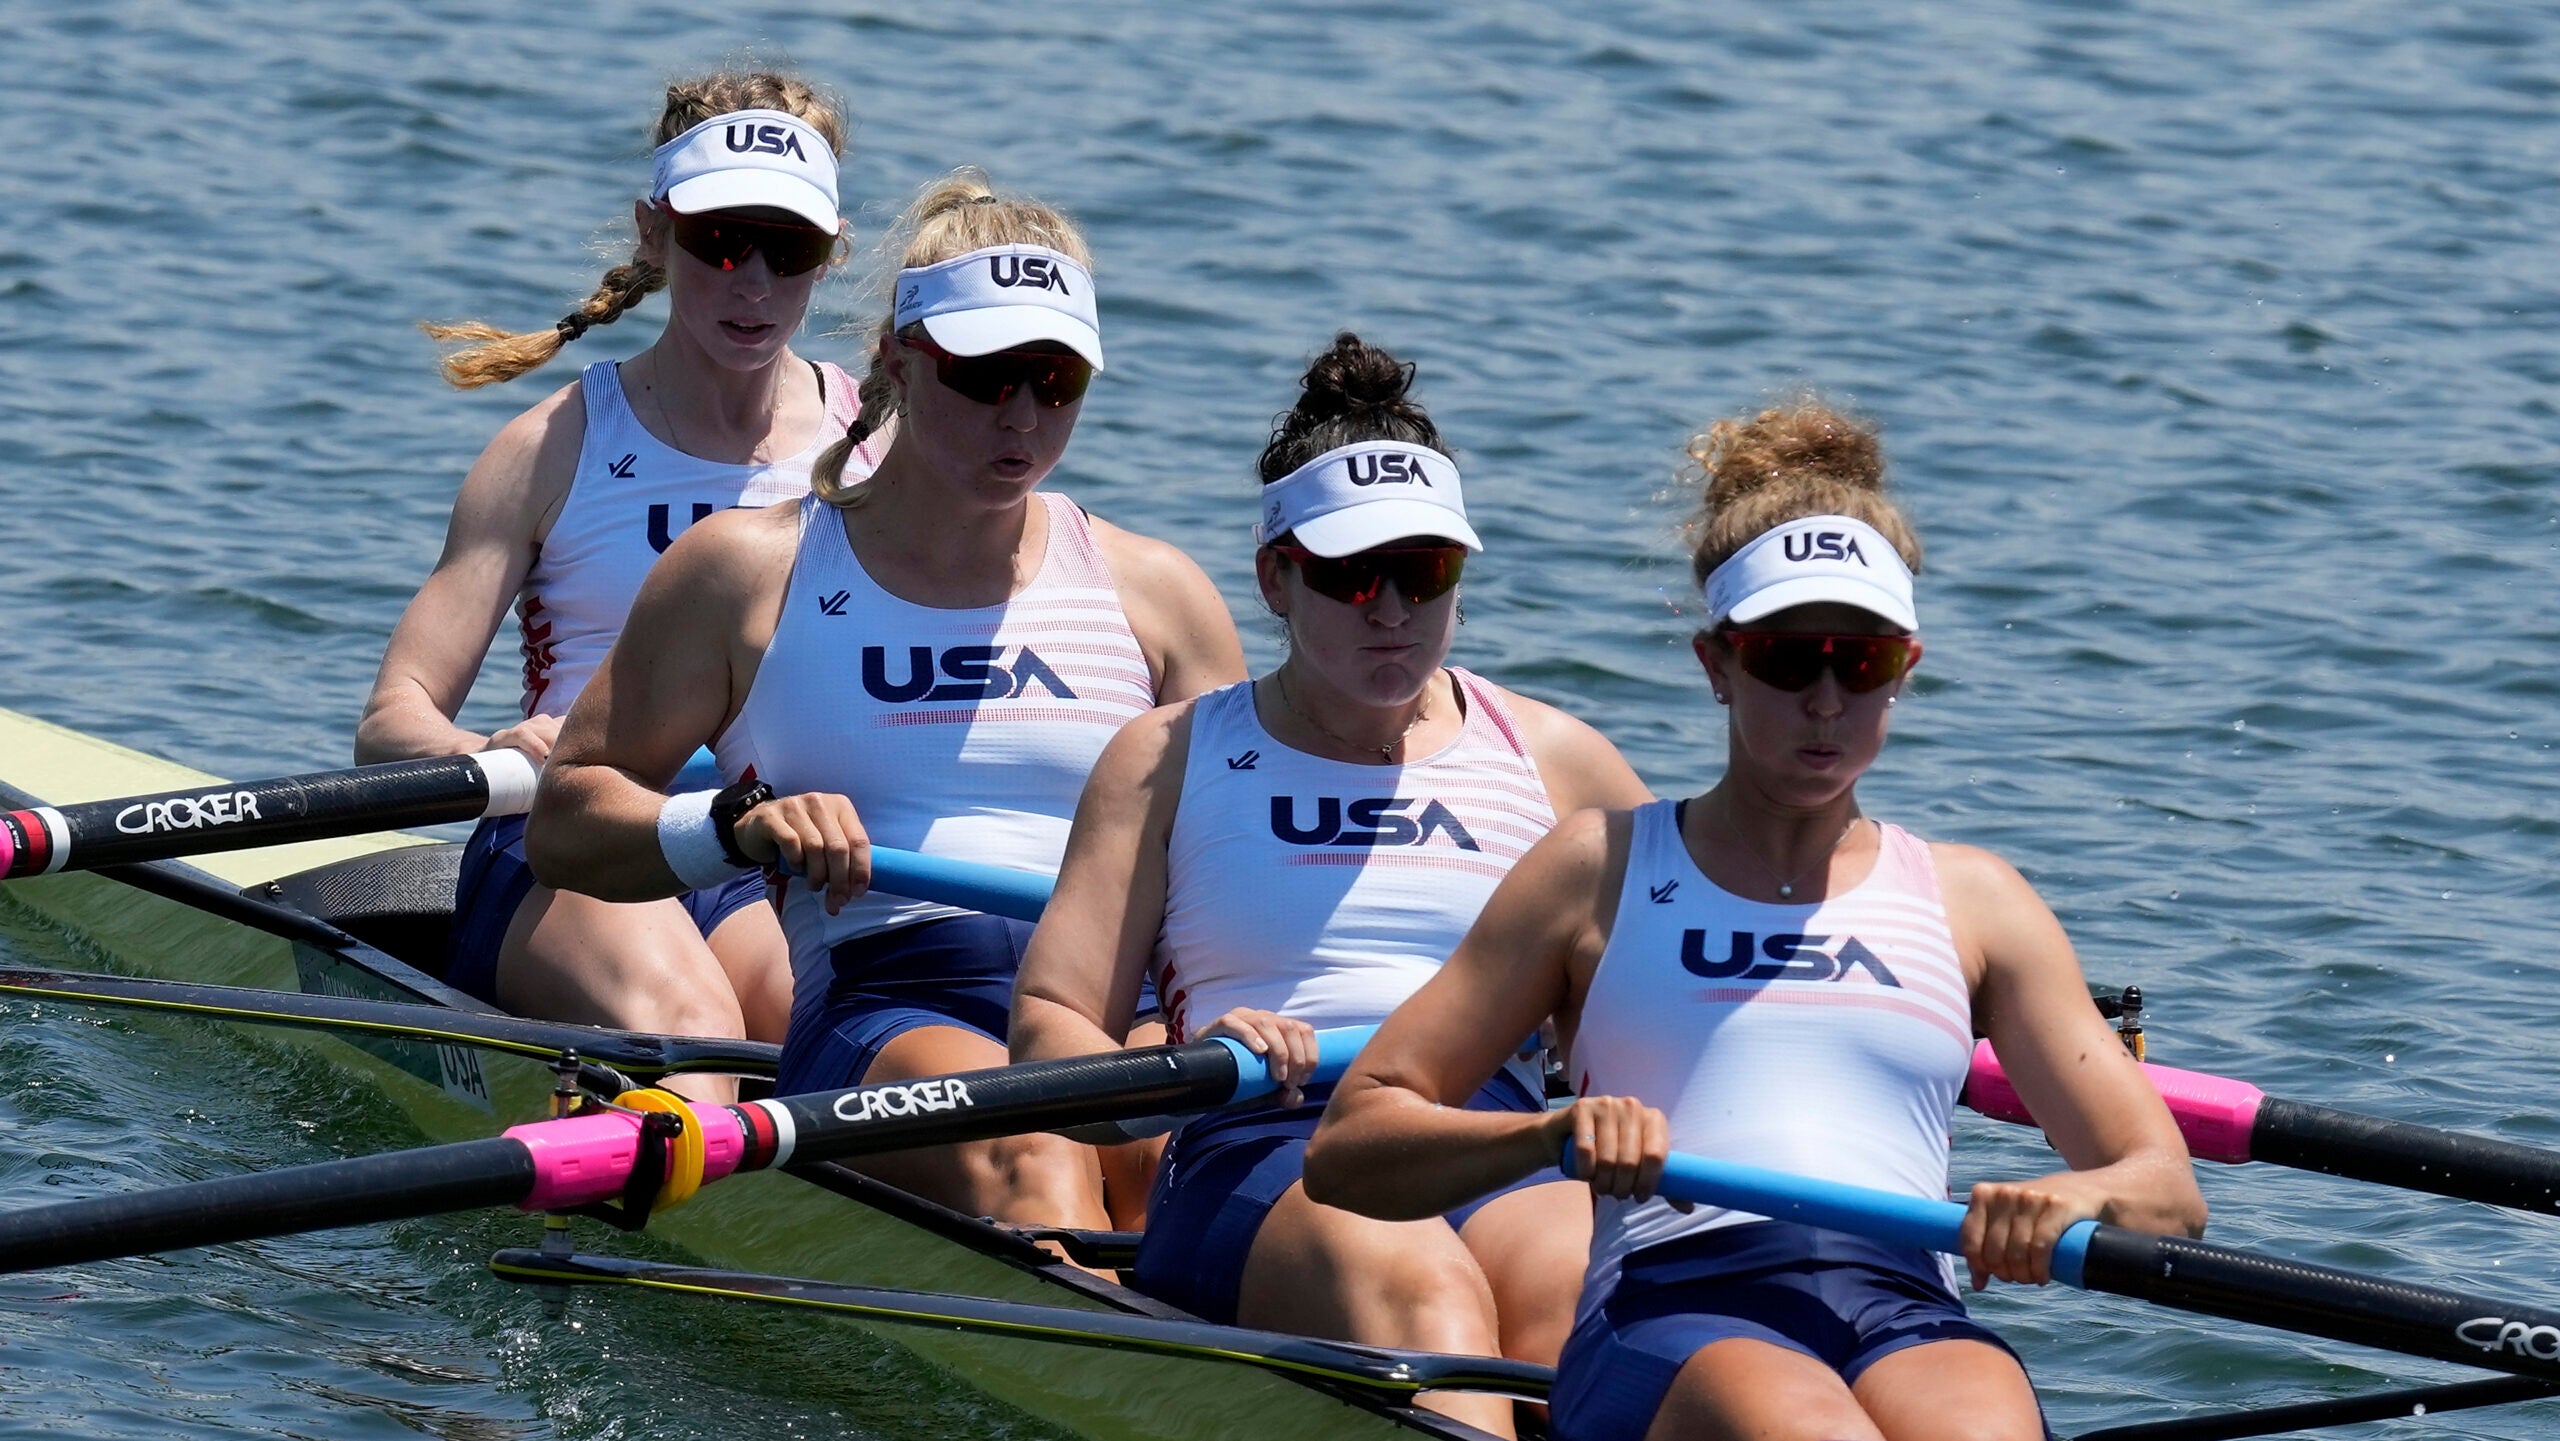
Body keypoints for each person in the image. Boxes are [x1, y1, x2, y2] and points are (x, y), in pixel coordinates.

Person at [1303, 400, 2207, 1441]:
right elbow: (1352, 1141)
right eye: (1788, 658)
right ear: (1716, 664)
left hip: (1904, 1303)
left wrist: (2067, 1200)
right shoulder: (1595, 871)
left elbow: (2166, 1192)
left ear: (1903, 669)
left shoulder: (1976, 900)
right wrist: (1547, 1136)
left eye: (1858, 662)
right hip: (1673, 1300)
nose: (1824, 699)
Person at [524, 171, 1246, 1226]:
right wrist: (734, 827)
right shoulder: (745, 574)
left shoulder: (1156, 593)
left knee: (1182, 1159)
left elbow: (1241, 860)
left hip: (1117, 1007)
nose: (1021, 416)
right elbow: (564, 821)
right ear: (897, 362)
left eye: (1055, 381)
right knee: (1036, 1160)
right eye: (984, 374)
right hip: (895, 999)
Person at [1009, 334, 1652, 1436]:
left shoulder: (1559, 764)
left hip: (1485, 1139)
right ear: (1274, 577)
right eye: (1354, 576)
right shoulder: (1168, 759)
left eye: (1425, 572)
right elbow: (1049, 1028)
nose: (1392, 610)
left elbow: (1677, 1020)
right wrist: (1177, 1074)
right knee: (1422, 1293)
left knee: (1591, 1303)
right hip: (1259, 1143)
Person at [355, 73, 872, 1103]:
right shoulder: (551, 450)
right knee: (695, 1032)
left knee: (815, 1038)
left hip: (752, 853)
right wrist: (482, 749)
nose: (754, 283)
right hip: (566, 843)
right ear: (653, 232)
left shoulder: (877, 451)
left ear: (831, 253)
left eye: (790, 250)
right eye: (721, 242)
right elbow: (389, 724)